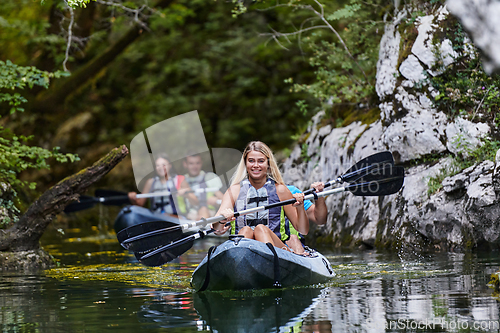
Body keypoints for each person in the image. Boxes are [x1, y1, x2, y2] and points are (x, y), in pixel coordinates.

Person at [212, 141, 309, 255]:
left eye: (261, 161)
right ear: (245, 163)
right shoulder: (234, 191)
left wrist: (300, 207)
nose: (256, 165)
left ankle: (269, 260)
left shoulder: (281, 190)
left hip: (278, 249)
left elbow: (303, 230)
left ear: (268, 164)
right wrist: (222, 220)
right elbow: (216, 229)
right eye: (251, 161)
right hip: (242, 250)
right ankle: (244, 263)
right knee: (246, 230)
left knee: (260, 229)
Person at [128, 153, 198, 218]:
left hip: (177, 218)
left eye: (164, 165)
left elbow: (196, 202)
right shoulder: (150, 182)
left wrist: (187, 193)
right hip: (156, 218)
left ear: (170, 166)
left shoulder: (180, 179)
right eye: (157, 165)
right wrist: (133, 199)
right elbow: (139, 204)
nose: (161, 168)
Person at [183, 152, 224, 220]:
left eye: (197, 163)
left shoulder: (210, 177)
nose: (195, 166)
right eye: (191, 163)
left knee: (203, 210)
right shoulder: (181, 180)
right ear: (185, 164)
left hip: (208, 214)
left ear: (201, 163)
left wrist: (217, 200)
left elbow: (224, 200)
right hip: (187, 216)